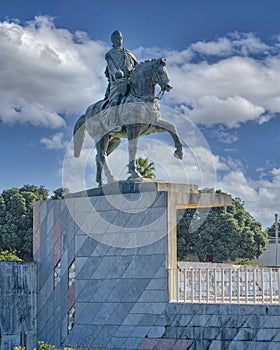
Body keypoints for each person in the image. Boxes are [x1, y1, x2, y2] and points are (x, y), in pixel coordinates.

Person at [104, 30, 138, 106]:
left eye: (121, 38)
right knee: (115, 103)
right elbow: (111, 67)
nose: (119, 40)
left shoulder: (129, 53)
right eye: (117, 38)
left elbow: (137, 67)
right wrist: (117, 73)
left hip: (132, 83)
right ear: (113, 40)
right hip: (118, 84)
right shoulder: (110, 54)